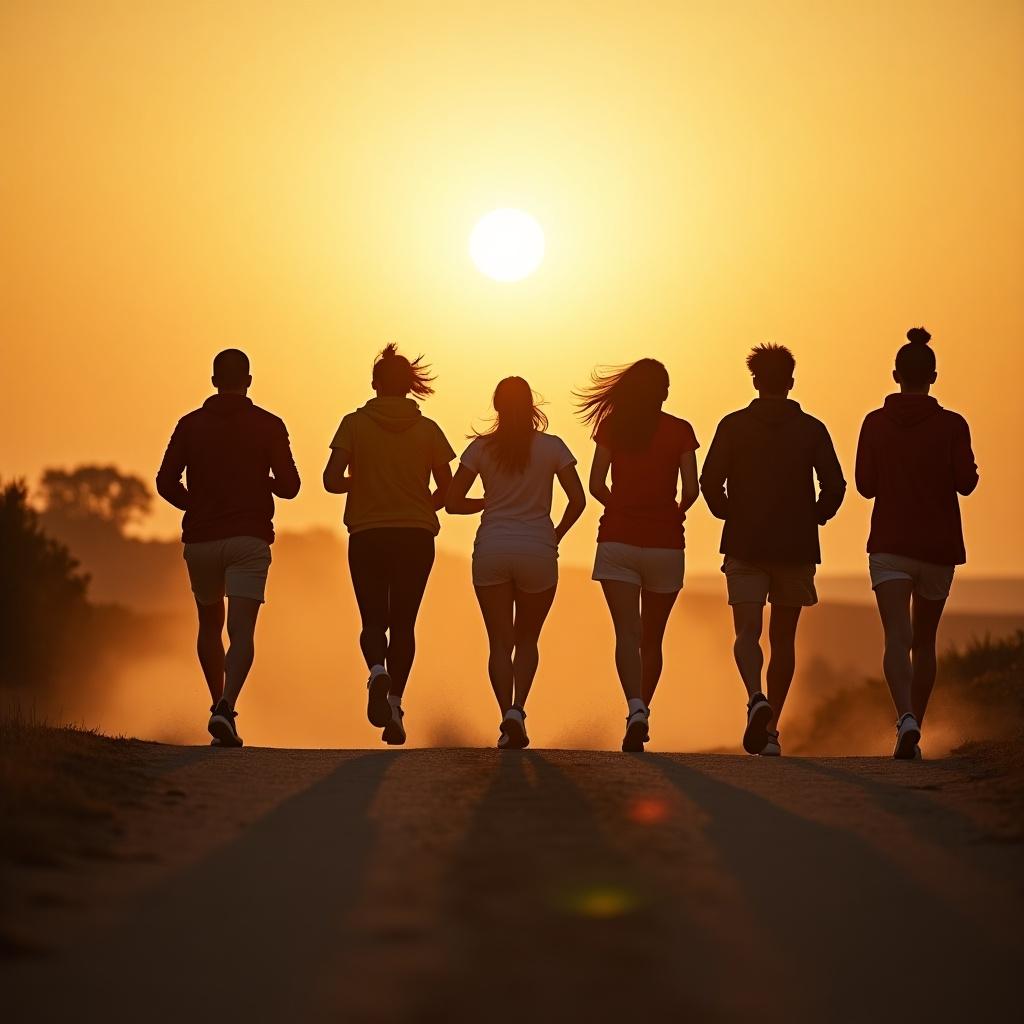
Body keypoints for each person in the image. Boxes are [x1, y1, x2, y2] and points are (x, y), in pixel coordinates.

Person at [701, 343, 845, 758]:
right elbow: (834, 485)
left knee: (747, 632)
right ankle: (771, 732)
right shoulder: (812, 429)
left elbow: (711, 482)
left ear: (755, 381)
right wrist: (816, 516)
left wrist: (729, 512)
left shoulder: (733, 426)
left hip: (745, 544)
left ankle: (754, 697)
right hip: (796, 547)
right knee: (784, 640)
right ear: (791, 382)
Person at [156, 349, 300, 748]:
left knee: (208, 624)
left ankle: (216, 703)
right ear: (249, 380)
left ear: (214, 380)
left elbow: (165, 482)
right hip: (248, 538)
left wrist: (196, 505)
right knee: (241, 631)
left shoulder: (189, 425)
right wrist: (262, 482)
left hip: (200, 540)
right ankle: (226, 706)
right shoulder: (269, 425)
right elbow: (290, 486)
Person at [856, 327, 978, 760]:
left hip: (889, 542)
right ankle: (915, 726)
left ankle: (904, 716)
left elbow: (865, 486)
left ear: (895, 375)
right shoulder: (953, 425)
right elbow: (967, 483)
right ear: (934, 376)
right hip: (938, 545)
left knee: (896, 637)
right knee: (924, 641)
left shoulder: (874, 422)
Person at [323, 343, 455, 746]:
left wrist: (361, 484)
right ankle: (395, 703)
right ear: (410, 387)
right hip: (415, 535)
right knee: (404, 623)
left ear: (375, 384)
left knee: (372, 620)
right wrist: (417, 502)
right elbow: (446, 491)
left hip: (368, 533)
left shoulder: (354, 424)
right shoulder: (429, 430)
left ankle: (377, 671)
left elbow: (330, 480)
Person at [446, 377, 586, 748]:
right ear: (531, 406)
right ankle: (517, 711)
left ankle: (504, 710)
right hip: (538, 550)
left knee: (498, 642)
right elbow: (579, 500)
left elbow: (452, 501)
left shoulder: (480, 449)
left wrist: (488, 504)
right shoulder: (553, 447)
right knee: (527, 640)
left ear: (497, 407)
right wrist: (555, 534)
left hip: (492, 547)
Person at [576, 359, 700, 753]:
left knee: (626, 634)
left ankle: (634, 709)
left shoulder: (612, 427)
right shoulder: (681, 430)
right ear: (663, 392)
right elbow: (692, 489)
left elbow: (596, 484)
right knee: (653, 638)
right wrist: (672, 512)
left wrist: (620, 506)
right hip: (666, 542)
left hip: (618, 539)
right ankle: (644, 706)